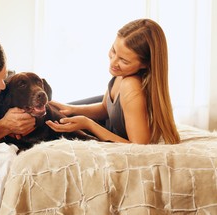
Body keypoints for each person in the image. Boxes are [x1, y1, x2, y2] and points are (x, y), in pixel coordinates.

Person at [46, 18, 180, 144]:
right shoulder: (122, 74)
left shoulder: (131, 86)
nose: (113, 62)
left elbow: (139, 147)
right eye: (114, 51)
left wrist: (88, 124)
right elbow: (105, 108)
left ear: (145, 65)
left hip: (108, 132)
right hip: (105, 124)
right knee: (49, 110)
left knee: (45, 119)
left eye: (124, 60)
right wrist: (71, 109)